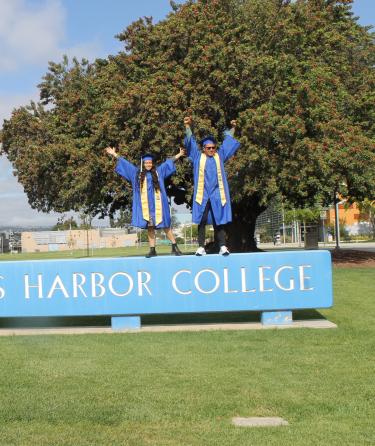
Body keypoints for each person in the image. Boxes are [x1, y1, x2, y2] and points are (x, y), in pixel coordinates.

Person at [105, 146, 185, 257]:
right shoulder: (136, 174)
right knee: (150, 227)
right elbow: (126, 164)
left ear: (152, 163)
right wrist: (114, 154)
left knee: (166, 225)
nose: (148, 164)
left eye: (150, 162)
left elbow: (168, 163)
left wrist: (179, 155)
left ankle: (174, 247)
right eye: (146, 162)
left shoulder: (158, 172)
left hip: (159, 205)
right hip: (147, 207)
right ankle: (152, 250)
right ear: (143, 163)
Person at [184, 116, 240, 256]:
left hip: (217, 193)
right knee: (202, 221)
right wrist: (187, 126)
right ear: (203, 149)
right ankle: (201, 247)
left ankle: (222, 246)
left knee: (218, 220)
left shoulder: (219, 156)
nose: (211, 150)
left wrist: (233, 128)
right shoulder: (198, 157)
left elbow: (227, 143)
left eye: (213, 148)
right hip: (202, 194)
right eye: (208, 148)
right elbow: (191, 142)